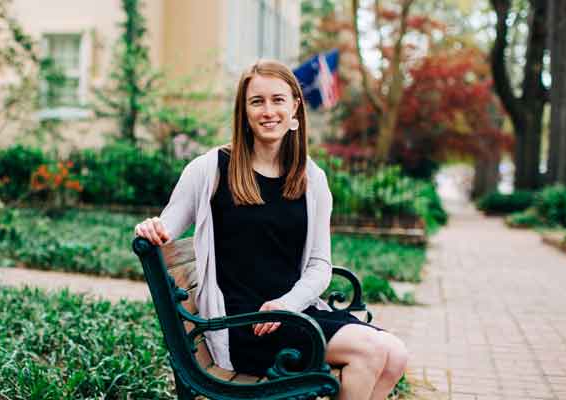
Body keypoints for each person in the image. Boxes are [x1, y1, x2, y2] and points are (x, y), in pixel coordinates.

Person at [134, 60, 408, 400]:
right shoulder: (209, 170)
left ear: (295, 106)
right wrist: (152, 228)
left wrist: (287, 305)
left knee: (395, 356)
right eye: (257, 101)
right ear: (244, 111)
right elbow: (167, 226)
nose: (268, 111)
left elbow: (319, 265)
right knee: (368, 352)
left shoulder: (312, 179)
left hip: (292, 313)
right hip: (243, 326)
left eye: (278, 100)